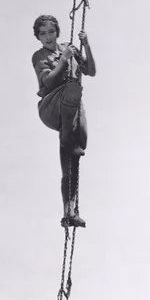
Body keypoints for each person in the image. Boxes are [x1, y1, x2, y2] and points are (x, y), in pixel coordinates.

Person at [32, 15, 96, 228]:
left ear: (57, 31)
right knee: (73, 87)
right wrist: (62, 60)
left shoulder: (69, 47)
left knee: (72, 158)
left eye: (51, 31)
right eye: (43, 33)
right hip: (52, 105)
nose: (48, 37)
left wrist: (85, 45)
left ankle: (69, 212)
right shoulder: (38, 56)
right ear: (38, 37)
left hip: (72, 106)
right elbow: (49, 81)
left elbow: (91, 71)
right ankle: (68, 139)